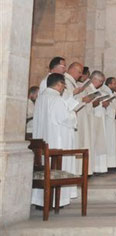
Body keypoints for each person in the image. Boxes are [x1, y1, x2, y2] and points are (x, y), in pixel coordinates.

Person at [31, 73, 76, 208]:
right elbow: (64, 119)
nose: (64, 88)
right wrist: (73, 113)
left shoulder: (41, 98)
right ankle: (56, 200)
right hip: (56, 141)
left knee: (45, 166)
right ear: (59, 84)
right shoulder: (56, 99)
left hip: (43, 142)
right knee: (56, 168)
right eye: (63, 85)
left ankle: (41, 201)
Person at [89, 71, 108, 174]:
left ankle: (97, 168)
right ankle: (93, 168)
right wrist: (96, 103)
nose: (101, 84)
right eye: (100, 81)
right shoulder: (88, 89)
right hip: (92, 120)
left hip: (98, 119)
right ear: (94, 79)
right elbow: (87, 103)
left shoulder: (96, 90)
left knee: (99, 144)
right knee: (93, 144)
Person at [101, 77, 116, 170]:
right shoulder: (104, 92)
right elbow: (107, 107)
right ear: (109, 84)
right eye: (115, 83)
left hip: (112, 120)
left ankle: (112, 164)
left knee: (112, 143)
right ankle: (109, 165)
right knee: (109, 143)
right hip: (108, 121)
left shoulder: (111, 93)